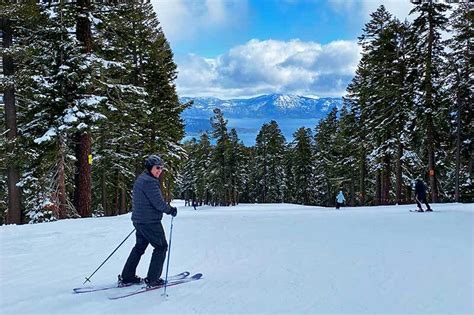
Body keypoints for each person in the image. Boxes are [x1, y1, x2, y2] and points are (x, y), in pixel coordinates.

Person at [119, 155, 178, 288]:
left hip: (140, 221)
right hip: (149, 222)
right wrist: (170, 210)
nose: (159, 171)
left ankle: (127, 276)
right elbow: (158, 203)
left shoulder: (143, 178)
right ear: (150, 167)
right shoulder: (149, 182)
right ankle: (153, 279)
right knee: (161, 246)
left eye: (161, 168)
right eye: (157, 168)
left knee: (139, 247)